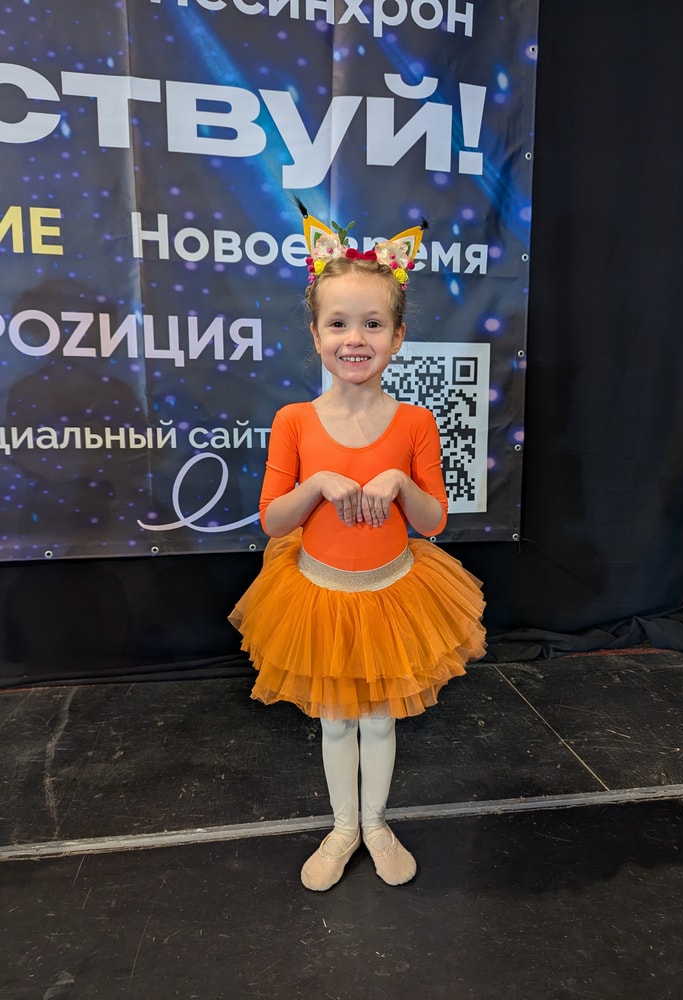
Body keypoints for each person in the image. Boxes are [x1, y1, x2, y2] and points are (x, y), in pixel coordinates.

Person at [229, 207, 486, 891]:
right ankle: (343, 826)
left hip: (391, 593)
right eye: (338, 323)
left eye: (372, 324)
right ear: (315, 334)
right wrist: (316, 483)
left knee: (379, 722)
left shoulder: (415, 421)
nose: (355, 338)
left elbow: (433, 521)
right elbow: (272, 520)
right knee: (337, 723)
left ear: (397, 336)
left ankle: (375, 822)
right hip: (318, 594)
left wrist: (400, 482)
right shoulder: (294, 420)